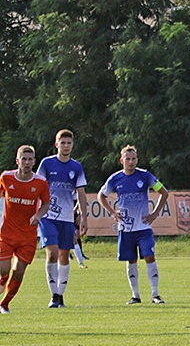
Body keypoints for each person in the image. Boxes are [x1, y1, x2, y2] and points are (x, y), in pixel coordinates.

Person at [98, 145, 169, 304]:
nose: (131, 162)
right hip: (126, 228)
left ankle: (155, 294)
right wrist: (112, 212)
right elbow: (101, 196)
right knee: (131, 260)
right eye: (128, 159)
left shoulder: (145, 176)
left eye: (133, 159)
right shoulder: (115, 179)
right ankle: (135, 295)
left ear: (137, 159)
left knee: (149, 257)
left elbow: (163, 192)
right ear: (122, 160)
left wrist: (155, 213)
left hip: (144, 228)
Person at [37, 129, 89, 308]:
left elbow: (81, 193)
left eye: (69, 143)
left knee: (64, 255)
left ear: (72, 145)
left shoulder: (76, 167)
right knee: (52, 253)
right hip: (48, 216)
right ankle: (53, 295)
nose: (66, 146)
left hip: (67, 218)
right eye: (63, 143)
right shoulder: (47, 164)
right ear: (56, 144)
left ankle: (60, 295)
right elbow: (37, 187)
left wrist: (83, 217)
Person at [0, 146, 52, 313]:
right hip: (7, 233)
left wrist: (38, 215)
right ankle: (4, 278)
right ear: (18, 161)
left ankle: (4, 303)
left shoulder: (40, 182)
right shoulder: (6, 177)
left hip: (28, 235)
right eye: (24, 159)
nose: (27, 162)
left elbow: (46, 203)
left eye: (30, 159)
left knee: (19, 271)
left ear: (34, 162)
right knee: (4, 269)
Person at [72, 202, 89, 268]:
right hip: (60, 216)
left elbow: (80, 201)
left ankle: (81, 262)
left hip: (71, 216)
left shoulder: (76, 192)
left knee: (75, 238)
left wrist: (78, 213)